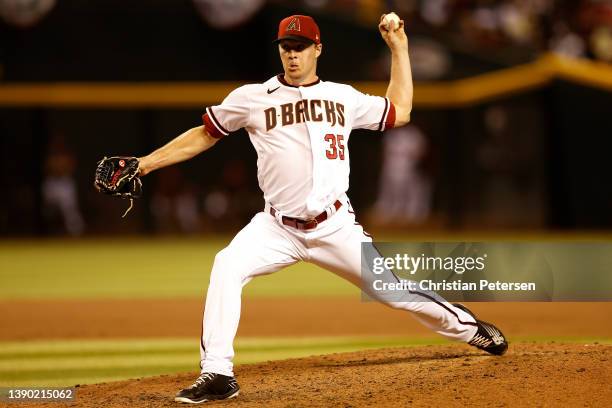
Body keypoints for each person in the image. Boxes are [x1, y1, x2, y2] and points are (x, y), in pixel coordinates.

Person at [135, 14, 508, 404]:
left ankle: (469, 329)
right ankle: (217, 373)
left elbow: (400, 110)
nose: (292, 55)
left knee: (394, 292)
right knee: (227, 265)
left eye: (299, 47)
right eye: (286, 47)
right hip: (276, 228)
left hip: (335, 227)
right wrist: (144, 163)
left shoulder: (342, 96)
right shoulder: (252, 98)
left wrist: (399, 49)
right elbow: (204, 135)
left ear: (318, 49)